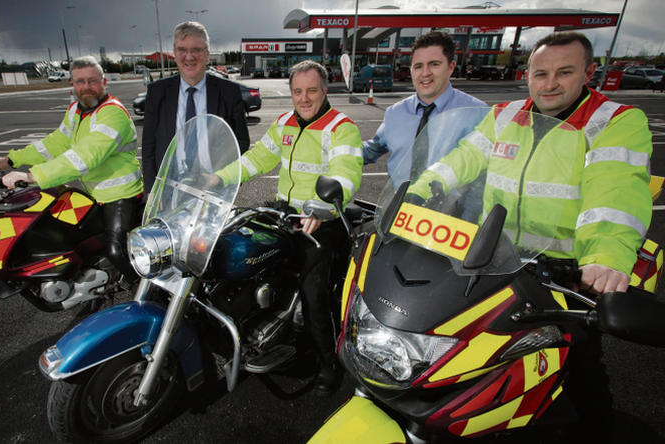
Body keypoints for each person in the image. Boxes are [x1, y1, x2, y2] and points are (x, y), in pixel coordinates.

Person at [408, 31, 652, 438]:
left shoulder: (613, 122)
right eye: (541, 73)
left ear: (588, 72)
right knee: (481, 348)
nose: (550, 83)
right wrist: (421, 189)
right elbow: (465, 157)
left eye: (564, 72)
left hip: (564, 272)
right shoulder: (505, 114)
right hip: (494, 258)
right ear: (528, 75)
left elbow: (616, 192)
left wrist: (605, 259)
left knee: (578, 360)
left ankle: (599, 428)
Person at [210, 60, 363, 394]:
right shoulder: (284, 123)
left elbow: (346, 170)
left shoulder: (342, 127)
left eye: (311, 90)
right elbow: (258, 159)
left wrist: (324, 207)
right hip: (285, 212)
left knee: (313, 293)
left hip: (323, 218)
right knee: (234, 247)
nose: (304, 98)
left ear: (324, 90)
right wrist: (219, 178)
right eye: (297, 91)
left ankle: (327, 364)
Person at [0, 55, 143, 287]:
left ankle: (147, 293)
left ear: (104, 82)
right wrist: (11, 160)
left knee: (116, 250)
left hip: (120, 195)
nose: (86, 87)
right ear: (72, 84)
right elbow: (53, 144)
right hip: (94, 193)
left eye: (92, 81)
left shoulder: (113, 114)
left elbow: (84, 157)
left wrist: (32, 177)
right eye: (80, 82)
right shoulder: (76, 110)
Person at [363, 31, 485, 184]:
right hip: (399, 205)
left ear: (451, 67)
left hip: (447, 208)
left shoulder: (477, 113)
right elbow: (370, 150)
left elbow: (484, 173)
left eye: (434, 64)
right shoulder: (395, 112)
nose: (425, 73)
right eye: (418, 66)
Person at [142, 21, 249, 193]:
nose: (189, 57)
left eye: (196, 50)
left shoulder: (229, 92)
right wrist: (151, 190)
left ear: (207, 54)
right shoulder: (157, 92)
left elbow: (241, 142)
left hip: (214, 188)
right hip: (168, 189)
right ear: (175, 54)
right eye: (182, 50)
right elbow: (148, 145)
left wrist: (226, 181)